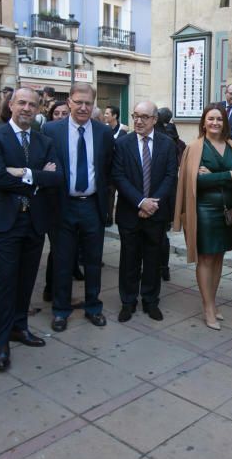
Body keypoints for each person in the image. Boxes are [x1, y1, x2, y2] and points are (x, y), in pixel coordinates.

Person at [0, 88, 60, 372]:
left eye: (32, 104)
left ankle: (19, 327)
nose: (26, 108)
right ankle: (2, 341)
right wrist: (37, 177)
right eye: (21, 102)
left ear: (38, 109)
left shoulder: (44, 141)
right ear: (10, 105)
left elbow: (56, 176)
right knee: (7, 281)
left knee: (27, 280)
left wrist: (23, 172)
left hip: (34, 221)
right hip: (4, 221)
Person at [44, 83, 114, 330]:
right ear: (69, 102)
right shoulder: (52, 130)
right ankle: (61, 310)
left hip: (92, 207)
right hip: (62, 206)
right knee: (63, 261)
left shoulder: (103, 133)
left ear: (93, 105)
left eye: (88, 103)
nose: (83, 107)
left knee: (94, 262)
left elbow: (107, 170)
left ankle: (93, 307)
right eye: (79, 102)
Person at [173, 103, 232, 329]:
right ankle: (207, 308)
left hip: (229, 211)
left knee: (219, 257)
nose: (215, 123)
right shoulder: (194, 148)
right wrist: (226, 175)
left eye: (219, 119)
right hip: (204, 211)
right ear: (203, 122)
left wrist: (214, 176)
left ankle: (213, 303)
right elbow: (193, 181)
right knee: (205, 258)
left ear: (225, 122)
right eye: (211, 119)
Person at [112, 101, 178, 322]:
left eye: (144, 117)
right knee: (129, 259)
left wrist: (153, 204)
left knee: (152, 259)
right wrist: (141, 202)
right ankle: (128, 302)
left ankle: (151, 301)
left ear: (154, 119)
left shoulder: (167, 144)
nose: (138, 121)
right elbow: (119, 177)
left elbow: (170, 176)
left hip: (156, 214)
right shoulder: (122, 144)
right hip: (130, 212)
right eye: (135, 116)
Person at [42, 100, 71, 302]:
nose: (60, 116)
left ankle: (59, 292)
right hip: (54, 200)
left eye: (64, 113)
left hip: (76, 200)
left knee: (67, 252)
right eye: (57, 113)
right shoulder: (47, 133)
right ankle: (51, 290)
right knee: (58, 251)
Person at [157, 107, 184, 283]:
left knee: (156, 234)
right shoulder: (177, 140)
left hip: (158, 193)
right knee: (161, 234)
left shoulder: (160, 138)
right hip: (169, 194)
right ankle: (164, 268)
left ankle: (157, 267)